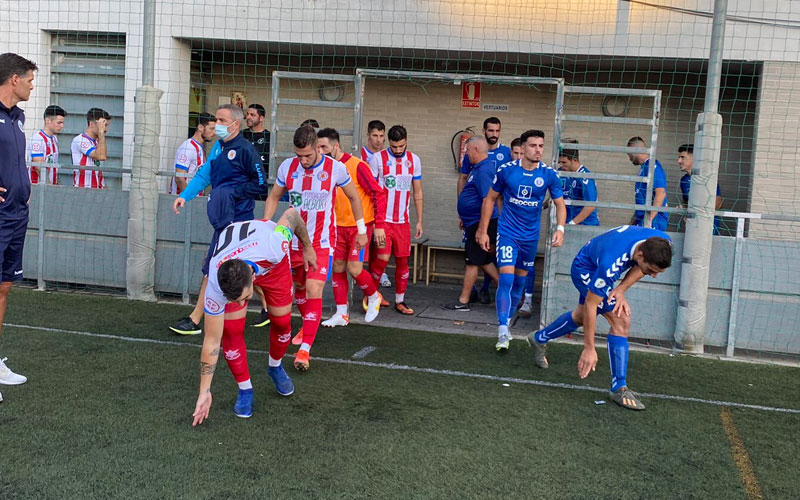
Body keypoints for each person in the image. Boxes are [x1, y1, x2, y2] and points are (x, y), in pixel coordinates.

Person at [191, 207, 316, 424]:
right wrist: (204, 391)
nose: (241, 304)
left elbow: (292, 214)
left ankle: (275, 366)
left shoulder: (275, 246)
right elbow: (211, 340)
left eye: (244, 298)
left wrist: (307, 246)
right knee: (231, 331)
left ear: (252, 279)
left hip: (272, 266)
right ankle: (245, 389)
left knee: (281, 322)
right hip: (237, 257)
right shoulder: (215, 282)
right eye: (235, 300)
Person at [527, 225, 673, 411]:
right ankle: (618, 388)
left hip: (599, 262)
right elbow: (591, 303)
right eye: (651, 270)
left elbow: (641, 268)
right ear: (640, 255)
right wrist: (589, 348)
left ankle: (539, 338)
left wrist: (621, 289)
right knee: (621, 320)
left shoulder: (663, 242)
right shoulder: (610, 264)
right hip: (585, 269)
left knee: (580, 317)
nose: (653, 276)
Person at [263, 126, 368, 371]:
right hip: (293, 243)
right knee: (298, 288)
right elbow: (274, 196)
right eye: (299, 155)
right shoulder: (287, 168)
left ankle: (304, 350)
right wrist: (266, 226)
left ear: (318, 147)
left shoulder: (335, 168)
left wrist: (361, 230)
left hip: (322, 242)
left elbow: (354, 197)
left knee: (313, 287)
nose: (303, 160)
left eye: (308, 155)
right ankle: (306, 324)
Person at [170, 104, 268, 336]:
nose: (217, 124)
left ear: (235, 124)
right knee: (233, 267)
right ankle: (269, 308)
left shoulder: (246, 150)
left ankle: (195, 319)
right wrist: (185, 196)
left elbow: (261, 185)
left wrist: (233, 193)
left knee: (214, 265)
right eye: (216, 119)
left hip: (238, 222)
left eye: (222, 120)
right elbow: (205, 174)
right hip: (222, 218)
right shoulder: (217, 148)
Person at [476, 129, 566, 351]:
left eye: (541, 146)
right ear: (523, 148)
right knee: (505, 279)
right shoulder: (506, 171)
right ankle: (503, 330)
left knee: (519, 283)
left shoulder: (549, 174)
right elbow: (489, 200)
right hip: (508, 233)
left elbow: (560, 204)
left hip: (530, 237)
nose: (538, 150)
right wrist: (483, 230)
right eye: (533, 146)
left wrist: (561, 229)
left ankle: (508, 320)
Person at [520, 138, 601, 317]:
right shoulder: (562, 174)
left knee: (579, 267)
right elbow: (558, 197)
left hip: (583, 230)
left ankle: (577, 306)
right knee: (561, 265)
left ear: (573, 160)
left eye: (564, 162)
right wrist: (542, 205)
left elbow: (590, 206)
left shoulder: (584, 176)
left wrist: (571, 224)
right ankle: (556, 301)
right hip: (565, 229)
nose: (561, 165)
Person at [316, 128, 387, 327]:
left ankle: (373, 296)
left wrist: (378, 225)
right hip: (336, 227)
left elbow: (378, 193)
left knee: (354, 268)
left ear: (336, 146)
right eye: (318, 147)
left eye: (324, 147)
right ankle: (341, 313)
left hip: (358, 226)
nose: (320, 151)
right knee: (337, 267)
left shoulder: (357, 165)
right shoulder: (323, 167)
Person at [0, 53, 37, 399]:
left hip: (16, 215)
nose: (30, 85)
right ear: (13, 79)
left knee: (4, 288)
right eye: (28, 80)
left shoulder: (18, 117)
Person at [368, 125, 424, 315]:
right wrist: (376, 222)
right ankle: (371, 294)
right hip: (383, 221)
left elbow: (417, 191)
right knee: (382, 258)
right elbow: (371, 193)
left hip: (403, 221)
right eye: (394, 147)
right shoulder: (377, 159)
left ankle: (400, 301)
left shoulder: (414, 160)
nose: (398, 150)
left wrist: (419, 220)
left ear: (406, 141)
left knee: (402, 261)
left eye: (401, 146)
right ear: (388, 144)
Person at [443, 136, 499, 311]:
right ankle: (509, 290)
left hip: (480, 223)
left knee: (472, 262)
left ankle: (463, 301)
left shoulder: (484, 171)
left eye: (467, 150)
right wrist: (464, 217)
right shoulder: (478, 167)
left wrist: (482, 230)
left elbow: (487, 201)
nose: (466, 153)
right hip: (472, 222)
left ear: (476, 149)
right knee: (483, 260)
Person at [241, 103, 273, 327]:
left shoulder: (270, 138)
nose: (248, 118)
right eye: (247, 114)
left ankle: (268, 306)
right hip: (242, 198)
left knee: (251, 256)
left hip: (259, 200)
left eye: (252, 115)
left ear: (261, 118)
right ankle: (265, 306)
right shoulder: (241, 137)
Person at [360, 119, 391, 289]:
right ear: (368, 135)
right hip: (365, 207)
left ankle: (381, 273)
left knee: (380, 244)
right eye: (374, 135)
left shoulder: (388, 156)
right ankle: (362, 277)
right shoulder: (361, 156)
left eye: (381, 136)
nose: (378, 140)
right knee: (366, 242)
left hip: (382, 208)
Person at [457, 117, 512, 196]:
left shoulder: (507, 152)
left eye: (497, 131)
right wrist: (460, 200)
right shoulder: (473, 152)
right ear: (483, 131)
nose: (494, 134)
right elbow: (463, 177)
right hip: (476, 201)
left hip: (498, 201)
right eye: (491, 131)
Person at [677, 144, 722, 235]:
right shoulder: (684, 180)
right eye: (679, 158)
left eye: (682, 157)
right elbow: (687, 202)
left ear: (694, 158)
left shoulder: (706, 177)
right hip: (691, 225)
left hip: (707, 225)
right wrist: (684, 209)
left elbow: (718, 202)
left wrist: (699, 217)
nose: (679, 161)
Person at [627, 136, 668, 231]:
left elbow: (661, 193)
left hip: (653, 222)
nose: (629, 158)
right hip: (642, 220)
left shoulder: (652, 166)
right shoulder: (644, 168)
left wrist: (649, 220)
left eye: (628, 154)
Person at [170, 112, 216, 195]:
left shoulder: (199, 147)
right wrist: (188, 197)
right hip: (182, 201)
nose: (214, 133)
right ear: (200, 127)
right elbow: (179, 177)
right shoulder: (188, 147)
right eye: (211, 129)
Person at [71, 108, 110, 189]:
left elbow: (98, 166)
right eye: (103, 125)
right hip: (84, 189)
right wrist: (101, 133)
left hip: (98, 189)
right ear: (92, 124)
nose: (105, 129)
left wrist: (104, 186)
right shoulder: (80, 140)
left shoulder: (97, 142)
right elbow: (101, 156)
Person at [27, 104, 65, 185]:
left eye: (62, 123)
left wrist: (57, 184)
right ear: (48, 120)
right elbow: (38, 167)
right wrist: (48, 187)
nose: (62, 126)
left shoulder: (54, 139)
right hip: (38, 188)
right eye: (59, 123)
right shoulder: (38, 139)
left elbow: (54, 165)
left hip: (50, 187)